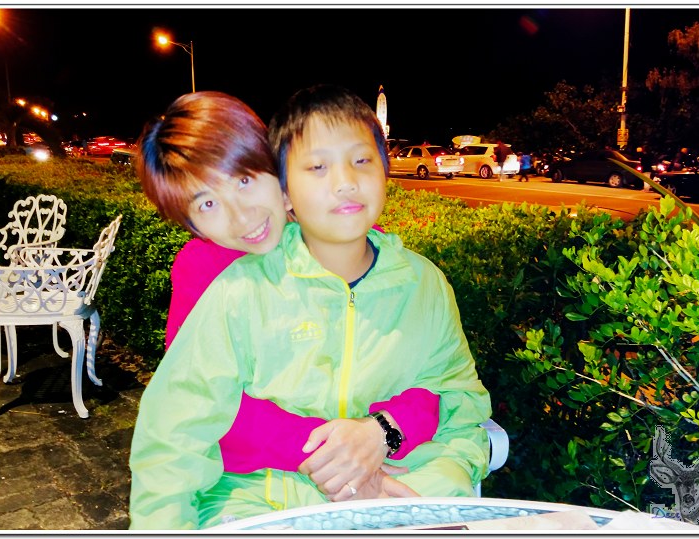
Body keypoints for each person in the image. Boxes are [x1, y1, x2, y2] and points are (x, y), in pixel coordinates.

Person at [129, 84, 493, 529]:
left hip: (390, 478)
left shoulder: (409, 277)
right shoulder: (223, 283)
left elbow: (450, 392)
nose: (242, 216)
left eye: (244, 180)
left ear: (272, 172)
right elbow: (186, 421)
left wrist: (383, 434)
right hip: (268, 492)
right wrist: (344, 464)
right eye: (206, 204)